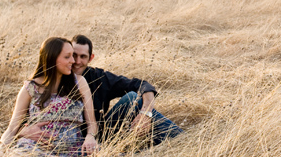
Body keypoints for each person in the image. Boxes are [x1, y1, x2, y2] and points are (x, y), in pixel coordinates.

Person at [18, 34, 183, 150]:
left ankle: (180, 141)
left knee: (133, 98)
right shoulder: (50, 81)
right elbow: (27, 119)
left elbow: (143, 85)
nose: (76, 61)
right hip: (66, 141)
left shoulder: (99, 77)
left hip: (99, 135)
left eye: (83, 57)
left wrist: (145, 113)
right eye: (72, 55)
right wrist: (22, 131)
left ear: (91, 58)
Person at [0, 37, 99, 157]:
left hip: (69, 152)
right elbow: (11, 128)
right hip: (33, 148)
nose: (73, 61)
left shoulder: (79, 83)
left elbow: (92, 124)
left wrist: (90, 136)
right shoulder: (30, 88)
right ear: (52, 59)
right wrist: (0, 152)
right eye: (67, 57)